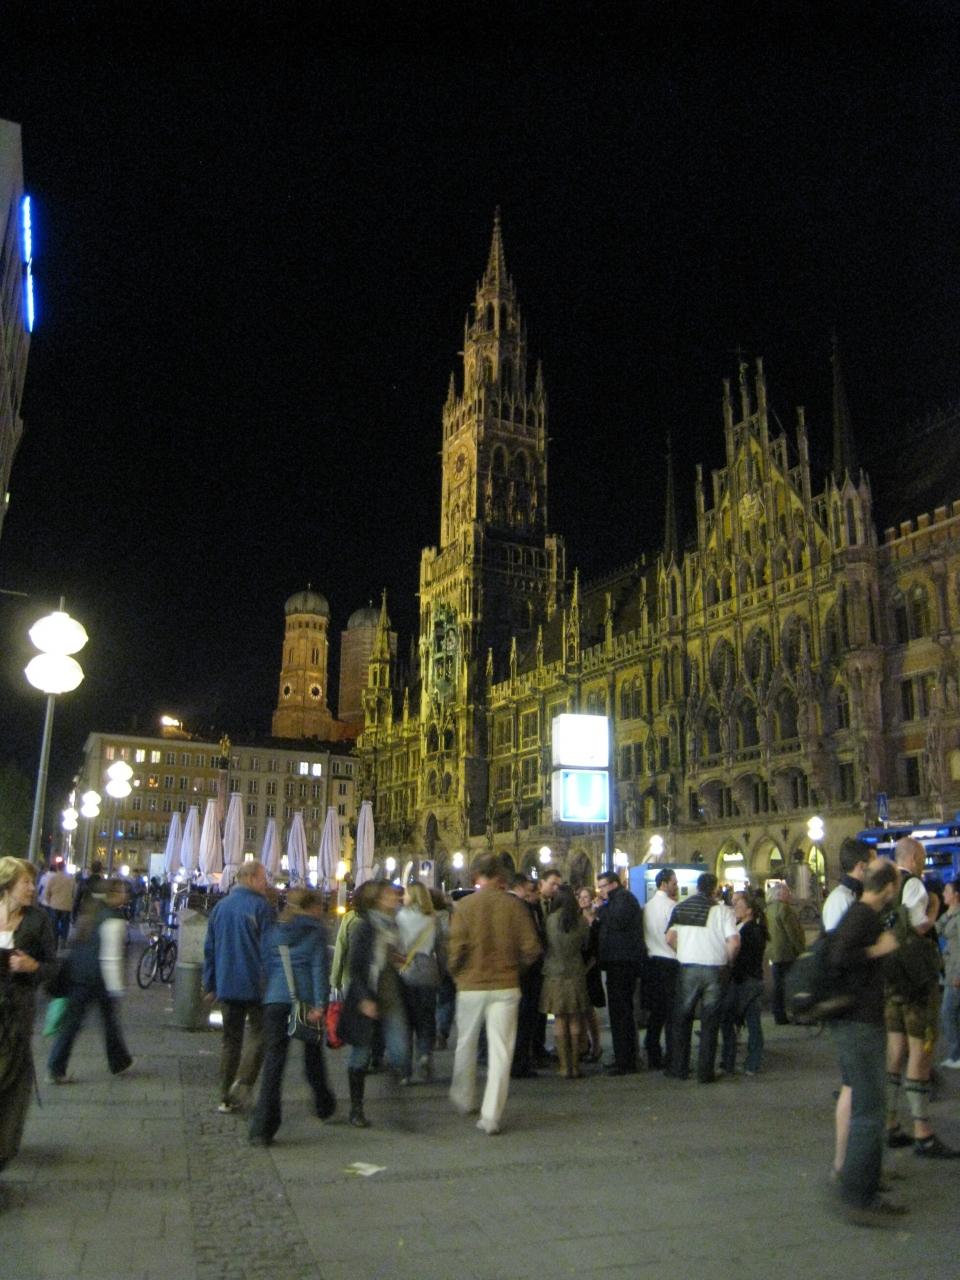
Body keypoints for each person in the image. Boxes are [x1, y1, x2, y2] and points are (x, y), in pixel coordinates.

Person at [828, 857, 905, 1223]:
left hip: (858, 1021)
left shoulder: (862, 913)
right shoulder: (862, 915)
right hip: (859, 1023)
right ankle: (858, 1195)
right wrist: (879, 949)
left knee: (869, 1106)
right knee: (870, 1110)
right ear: (888, 887)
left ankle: (865, 1180)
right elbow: (839, 958)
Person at [448, 854, 541, 1135]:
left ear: (476, 876)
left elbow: (456, 950)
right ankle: (491, 1117)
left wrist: (458, 973)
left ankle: (464, 1097)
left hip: (471, 985)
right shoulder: (514, 906)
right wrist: (514, 968)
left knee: (466, 1043)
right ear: (500, 877)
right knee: (501, 1052)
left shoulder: (464, 906)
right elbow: (532, 948)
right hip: (505, 985)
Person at [883, 837, 957, 1158]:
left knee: (895, 1049)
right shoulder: (913, 886)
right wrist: (935, 907)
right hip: (916, 981)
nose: (924, 862)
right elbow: (919, 926)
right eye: (923, 856)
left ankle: (890, 1122)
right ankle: (922, 1131)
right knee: (920, 1050)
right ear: (913, 857)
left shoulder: (884, 887)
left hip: (890, 981)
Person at [248, 888, 334, 1146]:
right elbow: (319, 969)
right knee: (312, 1055)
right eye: (320, 906)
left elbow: (266, 964)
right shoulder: (316, 932)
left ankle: (262, 1128)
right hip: (305, 1003)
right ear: (312, 907)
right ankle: (323, 1104)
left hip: (275, 1000)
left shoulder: (275, 930)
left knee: (274, 1063)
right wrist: (320, 1004)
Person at [47, 877, 135, 1084]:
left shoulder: (91, 911)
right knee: (103, 1021)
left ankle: (118, 1061)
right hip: (99, 979)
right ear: (113, 895)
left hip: (78, 975)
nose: (126, 895)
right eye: (123, 891)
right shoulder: (114, 918)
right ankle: (57, 1068)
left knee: (77, 1023)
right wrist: (117, 987)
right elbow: (111, 956)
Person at [202, 860, 273, 1113]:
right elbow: (270, 951)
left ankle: (224, 1096)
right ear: (251, 878)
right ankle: (242, 1084)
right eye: (263, 878)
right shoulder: (262, 908)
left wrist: (210, 983)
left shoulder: (221, 907)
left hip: (227, 984)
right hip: (256, 985)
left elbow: (209, 948)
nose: (266, 883)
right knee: (260, 1034)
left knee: (230, 1041)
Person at [0, 858, 57, 1172]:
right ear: (8, 884)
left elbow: (53, 968)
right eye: (27, 882)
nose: (33, 888)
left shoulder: (38, 921)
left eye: (33, 883)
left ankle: (4, 1147)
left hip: (17, 1009)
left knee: (11, 1078)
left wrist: (32, 966)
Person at [339, 881, 410, 1128]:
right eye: (390, 895)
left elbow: (389, 959)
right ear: (378, 900)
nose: (396, 898)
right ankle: (356, 1108)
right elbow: (356, 968)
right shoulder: (365, 928)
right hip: (368, 997)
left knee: (400, 1051)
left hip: (390, 995)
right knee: (361, 1054)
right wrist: (364, 999)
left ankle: (393, 1097)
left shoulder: (393, 926)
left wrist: (397, 960)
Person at [822, 837, 870, 1179]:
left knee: (856, 1087)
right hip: (849, 1006)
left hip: (858, 1005)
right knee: (853, 1087)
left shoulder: (850, 898)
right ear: (861, 866)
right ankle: (845, 1165)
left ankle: (852, 1163)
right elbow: (840, 955)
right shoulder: (840, 900)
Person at [666, 872, 739, 1083]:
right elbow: (734, 942)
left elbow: (669, 938)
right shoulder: (723, 911)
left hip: (688, 968)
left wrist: (683, 951)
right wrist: (728, 960)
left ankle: (679, 1068)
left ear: (697, 887)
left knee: (682, 1018)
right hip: (715, 970)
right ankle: (705, 1073)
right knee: (710, 1022)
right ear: (714, 889)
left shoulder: (681, 908)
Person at [595, 870, 645, 1075]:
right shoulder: (617, 900)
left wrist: (600, 909)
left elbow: (617, 921)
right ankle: (623, 1057)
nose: (601, 891)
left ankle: (626, 1061)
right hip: (618, 962)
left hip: (622, 963)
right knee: (619, 1012)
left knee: (621, 1013)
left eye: (603, 886)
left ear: (614, 884)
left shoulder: (623, 899)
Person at [540, 885, 590, 1078]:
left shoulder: (550, 920)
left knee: (560, 1020)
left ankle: (563, 1066)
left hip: (554, 974)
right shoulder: (581, 921)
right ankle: (575, 1066)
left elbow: (544, 944)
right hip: (576, 972)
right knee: (575, 1019)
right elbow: (586, 944)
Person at [719, 888, 768, 1076]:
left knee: (739, 1020)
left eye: (739, 906)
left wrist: (731, 962)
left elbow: (743, 956)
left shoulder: (748, 930)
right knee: (751, 1022)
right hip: (751, 979)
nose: (735, 908)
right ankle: (750, 1062)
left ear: (749, 911)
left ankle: (742, 1061)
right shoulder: (751, 928)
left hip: (745, 980)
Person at [396, 881, 441, 1083]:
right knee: (426, 1018)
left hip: (405, 971)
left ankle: (405, 1072)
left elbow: (394, 945)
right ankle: (424, 1054)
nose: (403, 897)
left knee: (405, 1022)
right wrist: (442, 972)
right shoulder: (432, 919)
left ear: (412, 896)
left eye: (406, 893)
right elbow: (441, 948)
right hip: (428, 971)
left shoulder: (399, 917)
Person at [641, 868, 679, 1070]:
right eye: (674, 883)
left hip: (651, 963)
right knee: (672, 1013)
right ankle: (673, 1056)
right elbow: (673, 937)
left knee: (655, 1013)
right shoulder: (672, 907)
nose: (676, 886)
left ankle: (652, 1053)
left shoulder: (646, 907)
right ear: (664, 884)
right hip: (669, 963)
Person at [510, 874, 546, 1078]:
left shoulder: (525, 906)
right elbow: (530, 942)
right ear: (520, 887)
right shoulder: (519, 907)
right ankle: (520, 1062)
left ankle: (521, 1059)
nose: (534, 893)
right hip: (526, 972)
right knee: (524, 1019)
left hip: (522, 971)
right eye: (530, 889)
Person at [766, 882, 806, 1024]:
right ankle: (799, 1014)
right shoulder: (785, 909)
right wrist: (801, 950)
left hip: (774, 953)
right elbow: (793, 933)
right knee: (795, 984)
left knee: (778, 985)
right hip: (787, 952)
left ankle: (779, 1014)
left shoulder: (768, 910)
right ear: (780, 894)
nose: (789, 895)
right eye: (787, 892)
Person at [576, 885, 604, 1061]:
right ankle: (583, 1043)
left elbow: (598, 945)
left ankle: (596, 1045)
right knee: (580, 1008)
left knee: (588, 1008)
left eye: (586, 897)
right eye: (580, 897)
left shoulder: (598, 919)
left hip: (591, 968)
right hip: (579, 966)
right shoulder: (577, 919)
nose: (583, 900)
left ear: (592, 898)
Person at [936, 879, 960, 1068]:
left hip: (956, 973)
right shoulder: (951, 915)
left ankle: (956, 1055)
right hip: (950, 970)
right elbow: (936, 929)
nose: (944, 894)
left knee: (948, 1013)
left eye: (947, 891)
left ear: (956, 895)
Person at [40, 862, 76, 949]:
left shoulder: (53, 878)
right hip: (67, 906)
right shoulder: (70, 879)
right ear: (64, 868)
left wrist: (49, 901)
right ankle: (63, 942)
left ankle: (54, 944)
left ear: (57, 868)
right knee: (65, 924)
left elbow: (47, 891)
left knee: (54, 925)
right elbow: (74, 892)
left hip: (54, 905)